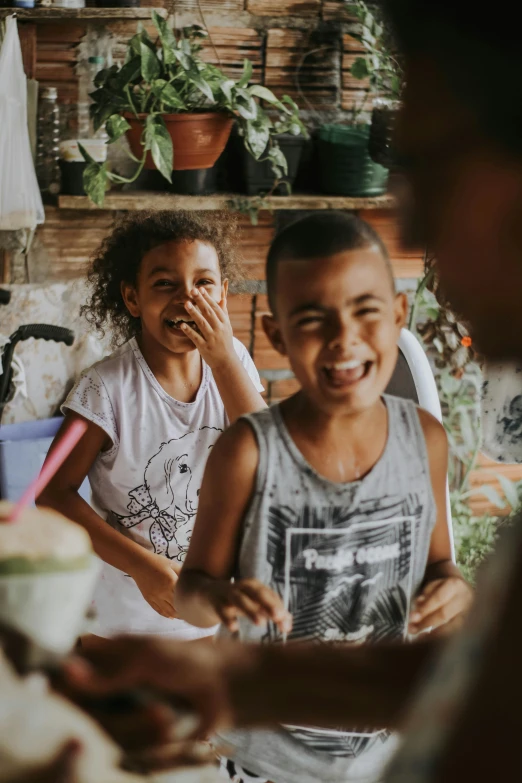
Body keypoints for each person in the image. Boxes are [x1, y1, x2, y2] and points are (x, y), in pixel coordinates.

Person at [58, 2, 522, 782]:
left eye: (429, 173)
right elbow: (476, 685)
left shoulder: (406, 437)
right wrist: (220, 678)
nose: (413, 230)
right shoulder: (114, 392)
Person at [174, 212, 472, 783]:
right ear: (278, 335)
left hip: (384, 743)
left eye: (366, 311)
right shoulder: (247, 453)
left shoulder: (425, 442)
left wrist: (452, 590)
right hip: (261, 753)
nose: (344, 340)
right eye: (313, 319)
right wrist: (221, 601)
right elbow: (189, 594)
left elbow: (439, 564)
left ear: (398, 315)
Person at [40, 210, 265, 645]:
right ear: (132, 299)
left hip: (213, 608)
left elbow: (267, 452)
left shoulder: (233, 360)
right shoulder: (105, 389)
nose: (187, 299)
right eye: (165, 284)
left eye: (203, 283)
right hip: (122, 620)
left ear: (222, 294)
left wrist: (223, 362)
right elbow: (52, 493)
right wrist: (142, 567)